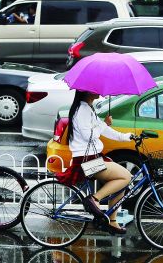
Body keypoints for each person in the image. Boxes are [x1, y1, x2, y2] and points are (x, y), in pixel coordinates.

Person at [56, 91, 133, 234]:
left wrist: (126, 137)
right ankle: (94, 199)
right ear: (87, 91)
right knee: (125, 177)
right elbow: (89, 135)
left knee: (120, 184)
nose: (99, 91)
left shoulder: (88, 108)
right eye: (95, 89)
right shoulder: (82, 110)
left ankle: (112, 221)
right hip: (87, 161)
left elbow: (104, 131)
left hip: (93, 157)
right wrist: (103, 125)